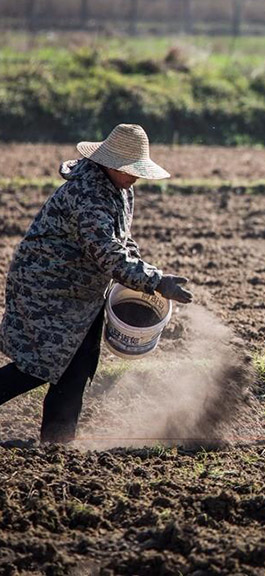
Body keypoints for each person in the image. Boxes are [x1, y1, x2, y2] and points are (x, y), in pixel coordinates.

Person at [0, 124, 194, 443]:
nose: (136, 176)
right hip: (48, 287)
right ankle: (57, 442)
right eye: (131, 170)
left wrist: (147, 272)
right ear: (110, 163)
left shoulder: (121, 189)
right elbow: (107, 253)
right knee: (38, 365)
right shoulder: (87, 193)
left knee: (78, 368)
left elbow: (123, 241)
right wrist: (155, 281)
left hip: (83, 291)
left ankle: (57, 446)